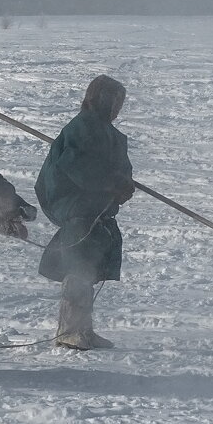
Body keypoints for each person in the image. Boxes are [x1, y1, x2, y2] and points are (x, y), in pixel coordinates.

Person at [34, 75, 134, 349]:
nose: (117, 109)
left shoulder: (107, 133)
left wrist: (124, 185)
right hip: (76, 207)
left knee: (88, 265)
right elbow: (77, 166)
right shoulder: (83, 128)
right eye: (115, 102)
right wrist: (111, 183)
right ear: (101, 99)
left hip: (95, 210)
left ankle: (83, 330)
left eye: (121, 104)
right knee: (78, 264)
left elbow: (120, 168)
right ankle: (69, 332)